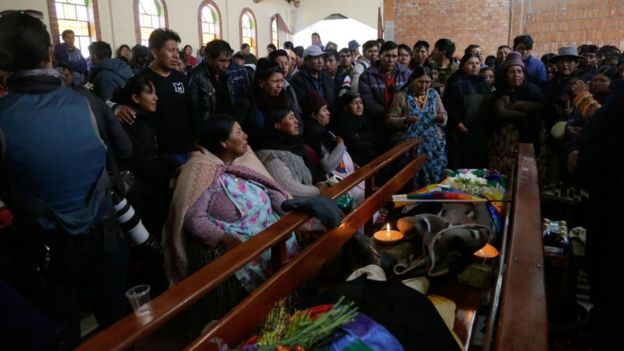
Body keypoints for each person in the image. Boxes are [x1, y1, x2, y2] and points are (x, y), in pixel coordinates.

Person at [0, 12, 128, 349]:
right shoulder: (86, 102)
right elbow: (113, 159)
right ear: (50, 55)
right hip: (105, 231)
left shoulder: (3, 116)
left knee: (61, 330)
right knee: (117, 319)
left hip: (44, 247)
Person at [162, 115, 298, 336]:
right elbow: (193, 219)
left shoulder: (243, 160)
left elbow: (272, 190)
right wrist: (228, 241)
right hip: (243, 245)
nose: (245, 136)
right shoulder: (200, 170)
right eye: (238, 133)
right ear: (223, 143)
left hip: (271, 231)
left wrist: (294, 212)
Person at [387, 66, 448, 187]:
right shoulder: (401, 96)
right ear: (412, 80)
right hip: (410, 148)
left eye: (427, 82)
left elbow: (444, 114)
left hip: (432, 146)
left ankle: (432, 202)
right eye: (420, 81)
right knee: (412, 180)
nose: (424, 85)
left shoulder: (433, 94)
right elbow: (389, 120)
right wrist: (405, 120)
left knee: (434, 179)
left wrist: (441, 118)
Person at [488, 52, 545, 176]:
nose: (516, 75)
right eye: (512, 72)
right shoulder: (501, 91)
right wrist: (525, 113)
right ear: (505, 75)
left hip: (529, 138)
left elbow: (540, 106)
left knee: (525, 174)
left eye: (519, 71)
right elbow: (500, 112)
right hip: (505, 142)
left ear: (524, 74)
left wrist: (517, 105)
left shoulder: (532, 89)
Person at [254, 109, 327, 198]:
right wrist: (317, 190)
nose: (296, 121)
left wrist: (321, 182)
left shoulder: (295, 145)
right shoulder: (270, 154)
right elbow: (288, 187)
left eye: (294, 117)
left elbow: (313, 171)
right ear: (277, 125)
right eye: (291, 118)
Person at [358, 41, 412, 153]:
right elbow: (369, 103)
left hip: (402, 125)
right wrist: (389, 116)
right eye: (387, 56)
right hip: (377, 125)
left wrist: (399, 118)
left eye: (394, 56)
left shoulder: (406, 73)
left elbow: (411, 97)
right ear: (380, 55)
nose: (391, 60)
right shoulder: (367, 76)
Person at [188, 39, 252, 131]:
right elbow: (194, 112)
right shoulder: (196, 77)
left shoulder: (226, 73)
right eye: (221, 61)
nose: (226, 65)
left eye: (228, 61)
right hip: (209, 129)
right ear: (209, 58)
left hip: (227, 126)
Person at [443, 53, 493, 169]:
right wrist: (459, 125)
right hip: (462, 130)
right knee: (462, 163)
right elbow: (449, 106)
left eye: (477, 63)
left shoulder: (483, 82)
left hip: (481, 130)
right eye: (470, 63)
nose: (474, 66)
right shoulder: (456, 82)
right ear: (463, 66)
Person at [250, 61, 301, 133]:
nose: (280, 85)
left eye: (282, 81)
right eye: (275, 81)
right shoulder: (250, 102)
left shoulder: (285, 97)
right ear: (261, 83)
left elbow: (299, 122)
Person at [333, 91, 379, 166]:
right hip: (356, 161)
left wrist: (360, 136)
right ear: (345, 108)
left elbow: (376, 136)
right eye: (355, 103)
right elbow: (356, 144)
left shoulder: (367, 117)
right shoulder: (342, 123)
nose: (359, 106)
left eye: (361, 102)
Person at [290, 45, 336, 111]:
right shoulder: (298, 80)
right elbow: (305, 105)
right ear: (306, 61)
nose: (320, 61)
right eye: (316, 58)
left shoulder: (327, 77)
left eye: (321, 57)